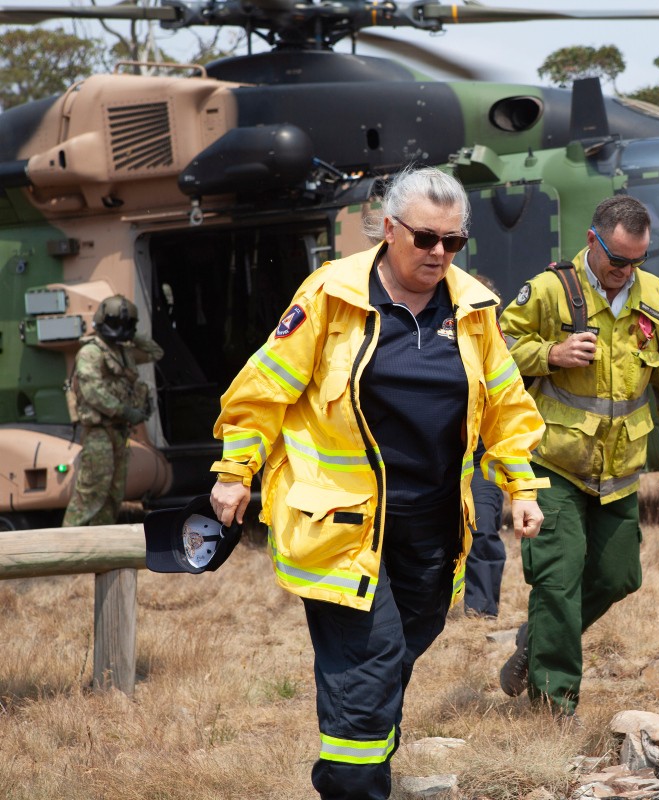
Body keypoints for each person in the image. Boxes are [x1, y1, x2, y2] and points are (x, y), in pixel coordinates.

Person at [207, 166, 548, 800]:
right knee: (368, 668)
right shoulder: (331, 296)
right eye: (425, 239)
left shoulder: (474, 307)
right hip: (341, 527)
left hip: (434, 528)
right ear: (389, 230)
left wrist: (521, 487)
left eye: (454, 242)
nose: (439, 253)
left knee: (396, 654)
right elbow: (262, 393)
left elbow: (507, 406)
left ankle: (351, 773)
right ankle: (356, 787)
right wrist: (235, 472)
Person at [498, 195, 659, 717]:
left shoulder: (654, 295)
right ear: (593, 241)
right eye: (617, 260)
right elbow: (495, 347)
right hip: (555, 463)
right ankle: (553, 709)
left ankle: (540, 634)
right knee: (558, 579)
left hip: (620, 469)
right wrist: (551, 354)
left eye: (637, 260)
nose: (626, 272)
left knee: (619, 577)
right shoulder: (549, 291)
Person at [63, 295, 163, 527]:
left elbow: (156, 352)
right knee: (92, 491)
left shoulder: (124, 351)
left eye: (124, 324)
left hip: (119, 432)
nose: (119, 329)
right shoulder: (91, 352)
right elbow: (93, 392)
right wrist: (126, 411)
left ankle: (99, 548)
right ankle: (66, 545)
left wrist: (131, 332)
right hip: (99, 431)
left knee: (114, 494)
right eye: (116, 323)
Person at [463, 273, 507, 620]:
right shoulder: (442, 342)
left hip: (484, 459)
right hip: (442, 457)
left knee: (483, 529)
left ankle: (480, 610)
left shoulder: (505, 349)